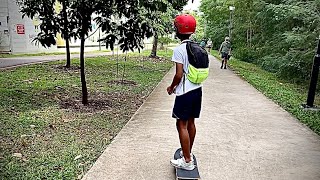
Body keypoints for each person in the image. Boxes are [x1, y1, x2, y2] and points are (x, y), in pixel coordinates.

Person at [167, 14, 203, 171]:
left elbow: (178, 75)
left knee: (181, 124)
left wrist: (171, 87)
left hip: (185, 93)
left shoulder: (179, 49)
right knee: (191, 123)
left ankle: (187, 160)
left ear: (178, 30)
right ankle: (187, 152)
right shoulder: (198, 48)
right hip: (197, 90)